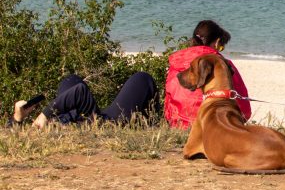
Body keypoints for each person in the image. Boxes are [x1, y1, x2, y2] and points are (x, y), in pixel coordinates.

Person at [164, 20, 252, 129]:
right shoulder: (223, 65)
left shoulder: (176, 62)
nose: (220, 51)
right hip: (212, 126)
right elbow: (245, 111)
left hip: (177, 124)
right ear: (217, 43)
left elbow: (168, 104)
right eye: (221, 47)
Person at [11, 72, 157, 129]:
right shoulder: (48, 130)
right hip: (98, 123)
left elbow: (10, 133)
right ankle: (151, 126)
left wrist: (17, 118)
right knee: (142, 78)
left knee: (70, 79)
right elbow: (80, 91)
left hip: (70, 117)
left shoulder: (34, 131)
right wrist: (45, 114)